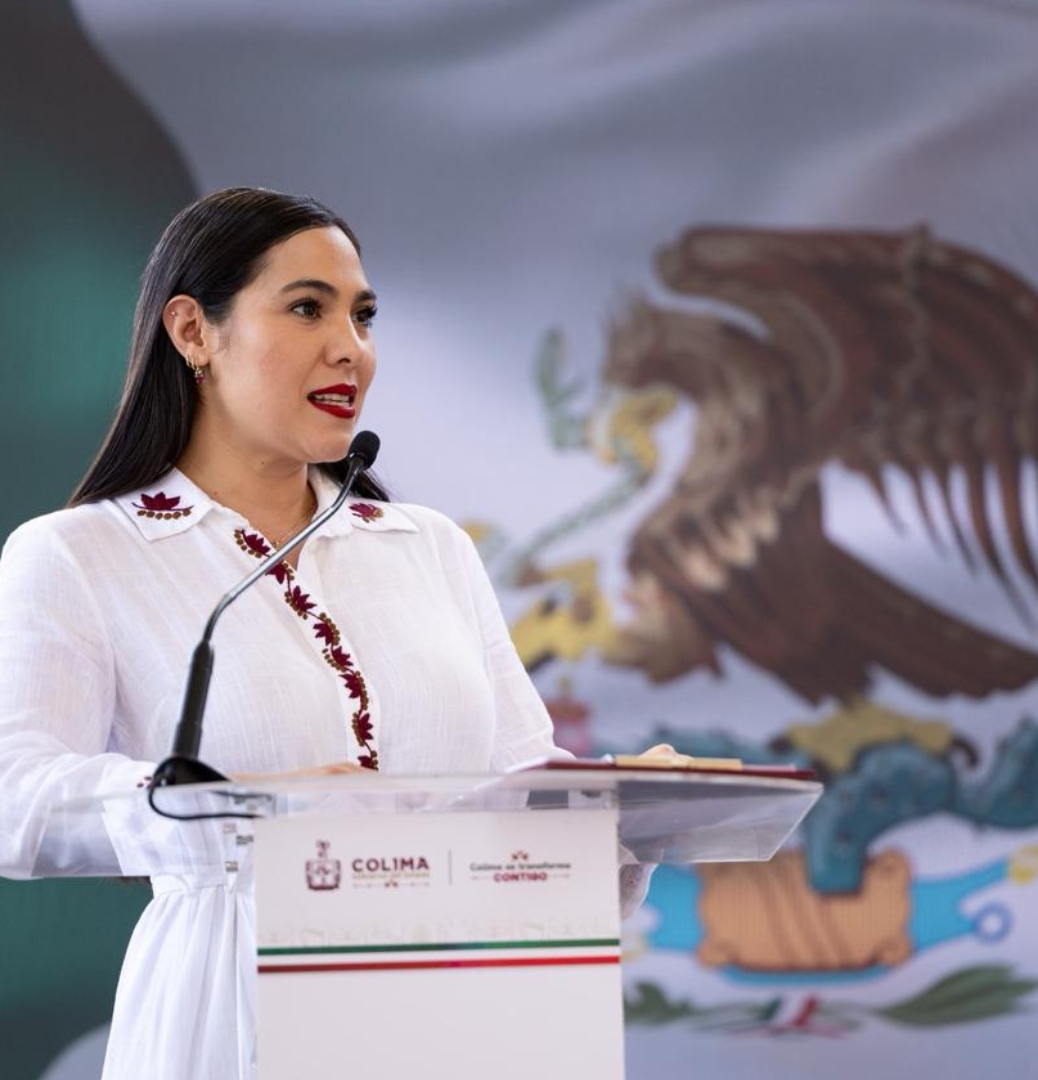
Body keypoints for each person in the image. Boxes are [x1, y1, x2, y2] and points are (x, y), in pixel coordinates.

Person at [0, 187, 668, 1079]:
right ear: (194, 332)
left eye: (363, 315)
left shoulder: (427, 547)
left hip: (471, 997)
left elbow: (518, 782)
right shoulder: (82, 553)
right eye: (307, 308)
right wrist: (235, 809)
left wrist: (624, 809)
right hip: (237, 998)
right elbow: (18, 802)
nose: (350, 347)